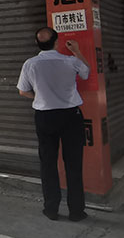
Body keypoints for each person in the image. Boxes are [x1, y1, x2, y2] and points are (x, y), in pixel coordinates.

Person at [17, 27, 91, 222]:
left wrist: (40, 97)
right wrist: (77, 51)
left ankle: (51, 209)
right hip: (71, 117)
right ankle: (76, 211)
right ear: (57, 42)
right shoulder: (70, 61)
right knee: (73, 163)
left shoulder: (30, 64)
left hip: (45, 117)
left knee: (48, 163)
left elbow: (23, 91)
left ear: (37, 44)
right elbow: (86, 73)